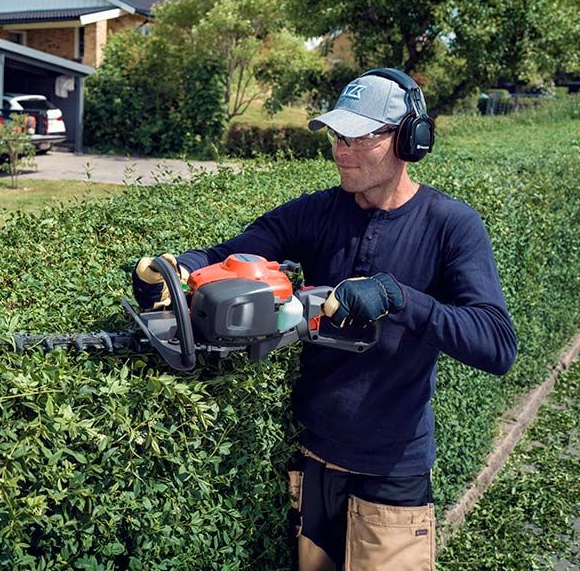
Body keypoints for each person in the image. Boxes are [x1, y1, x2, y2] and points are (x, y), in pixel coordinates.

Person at [132, 69, 517, 570]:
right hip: (313, 459)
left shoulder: (451, 226)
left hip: (392, 471)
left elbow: (497, 344)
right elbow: (233, 253)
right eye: (338, 136)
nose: (341, 150)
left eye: (359, 137)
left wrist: (398, 297)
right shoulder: (316, 213)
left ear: (409, 139)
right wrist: (176, 269)